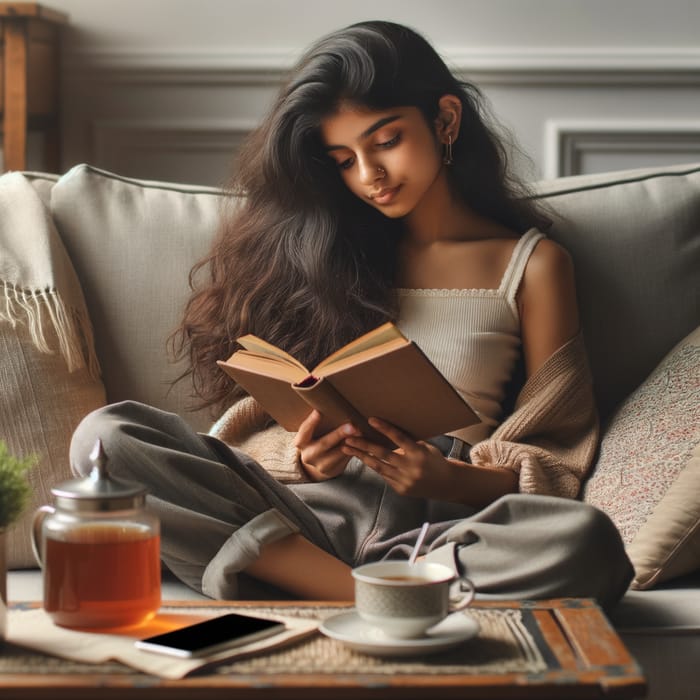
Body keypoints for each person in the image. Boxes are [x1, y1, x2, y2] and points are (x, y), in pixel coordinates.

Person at [70, 20, 633, 607]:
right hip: (297, 518)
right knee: (105, 437)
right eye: (343, 160)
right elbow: (260, 424)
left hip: (433, 531)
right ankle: (367, 599)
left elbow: (557, 453)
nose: (370, 177)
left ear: (445, 120)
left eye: (385, 141)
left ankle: (321, 587)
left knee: (587, 543)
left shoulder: (535, 266)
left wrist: (448, 478)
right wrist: (304, 461)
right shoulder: (320, 256)